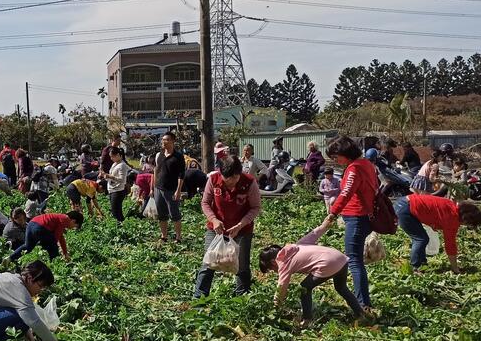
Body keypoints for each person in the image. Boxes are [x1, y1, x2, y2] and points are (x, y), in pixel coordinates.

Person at [318, 136, 378, 312]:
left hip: (356, 216)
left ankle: (362, 304)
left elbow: (345, 193)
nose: (336, 161)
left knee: (354, 261)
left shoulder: (354, 169)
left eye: (336, 157)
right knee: (356, 260)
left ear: (345, 153)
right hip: (364, 215)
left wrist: (332, 213)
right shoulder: (367, 164)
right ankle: (364, 300)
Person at [259, 225, 364, 324]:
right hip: (340, 258)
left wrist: (276, 305)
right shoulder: (297, 245)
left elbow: (282, 286)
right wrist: (325, 224)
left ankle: (306, 320)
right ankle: (361, 314)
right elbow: (314, 234)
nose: (274, 271)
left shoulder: (282, 262)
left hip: (327, 263)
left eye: (271, 269)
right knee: (341, 288)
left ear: (273, 262)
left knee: (304, 288)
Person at [194, 155, 261, 297]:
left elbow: (255, 207)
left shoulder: (249, 182)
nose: (230, 184)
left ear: (239, 173)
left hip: (242, 230)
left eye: (234, 179)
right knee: (209, 262)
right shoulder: (213, 180)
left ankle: (242, 299)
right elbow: (205, 203)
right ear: (221, 174)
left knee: (241, 265)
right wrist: (214, 219)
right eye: (227, 180)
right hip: (216, 229)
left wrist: (241, 224)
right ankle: (199, 298)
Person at [394, 193, 481, 273]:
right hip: (405, 209)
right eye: (468, 223)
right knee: (420, 239)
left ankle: (422, 264)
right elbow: (450, 245)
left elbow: (432, 210)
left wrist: (434, 224)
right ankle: (415, 268)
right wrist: (455, 268)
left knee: (423, 238)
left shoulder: (451, 206)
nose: (465, 225)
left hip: (405, 202)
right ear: (466, 219)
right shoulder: (452, 219)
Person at [9, 211, 84, 262]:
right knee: (53, 249)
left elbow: (61, 237)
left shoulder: (60, 217)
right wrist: (56, 252)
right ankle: (54, 267)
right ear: (73, 221)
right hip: (40, 227)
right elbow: (56, 238)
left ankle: (10, 258)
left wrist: (65, 253)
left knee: (27, 246)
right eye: (74, 226)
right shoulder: (65, 219)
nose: (72, 228)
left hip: (31, 224)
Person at [153, 132, 186, 242]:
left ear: (173, 141)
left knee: (174, 214)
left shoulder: (178, 156)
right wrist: (153, 187)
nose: (164, 142)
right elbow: (156, 171)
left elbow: (181, 174)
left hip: (171, 190)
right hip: (159, 188)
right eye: (163, 140)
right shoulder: (160, 155)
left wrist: (178, 190)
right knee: (161, 214)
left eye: (166, 140)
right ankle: (164, 236)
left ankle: (178, 237)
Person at [106, 147, 130, 222]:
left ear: (118, 155)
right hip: (112, 189)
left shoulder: (122, 165)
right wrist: (106, 176)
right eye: (110, 156)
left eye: (112, 156)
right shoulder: (115, 164)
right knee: (115, 210)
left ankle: (121, 227)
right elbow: (112, 176)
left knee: (116, 212)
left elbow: (122, 180)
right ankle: (119, 227)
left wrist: (110, 176)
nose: (111, 158)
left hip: (118, 191)